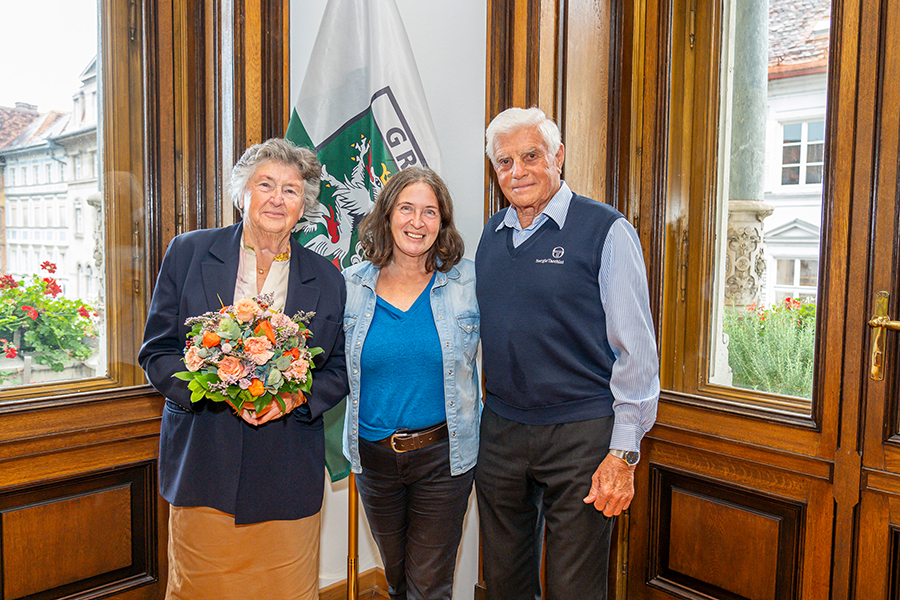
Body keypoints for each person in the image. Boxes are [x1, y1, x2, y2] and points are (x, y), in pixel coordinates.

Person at [139, 138, 349, 599]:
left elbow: (337, 369)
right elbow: (157, 353)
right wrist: (217, 385)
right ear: (242, 194)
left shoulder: (328, 278)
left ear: (305, 205)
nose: (277, 198)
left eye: (291, 190)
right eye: (265, 184)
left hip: (288, 468)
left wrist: (294, 397)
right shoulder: (187, 252)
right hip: (204, 462)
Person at [474, 107, 660, 600]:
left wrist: (623, 453)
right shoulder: (490, 237)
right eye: (504, 162)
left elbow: (636, 354)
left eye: (530, 156)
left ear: (558, 156)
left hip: (582, 436)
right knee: (504, 584)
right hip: (502, 434)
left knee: (574, 587)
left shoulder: (606, 230)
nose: (517, 171)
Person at [342, 166, 480, 600]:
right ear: (386, 215)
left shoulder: (468, 283)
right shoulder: (350, 285)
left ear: (442, 223)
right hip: (373, 460)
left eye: (430, 212)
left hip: (443, 457)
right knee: (398, 579)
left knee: (429, 586)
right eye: (406, 208)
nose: (417, 222)